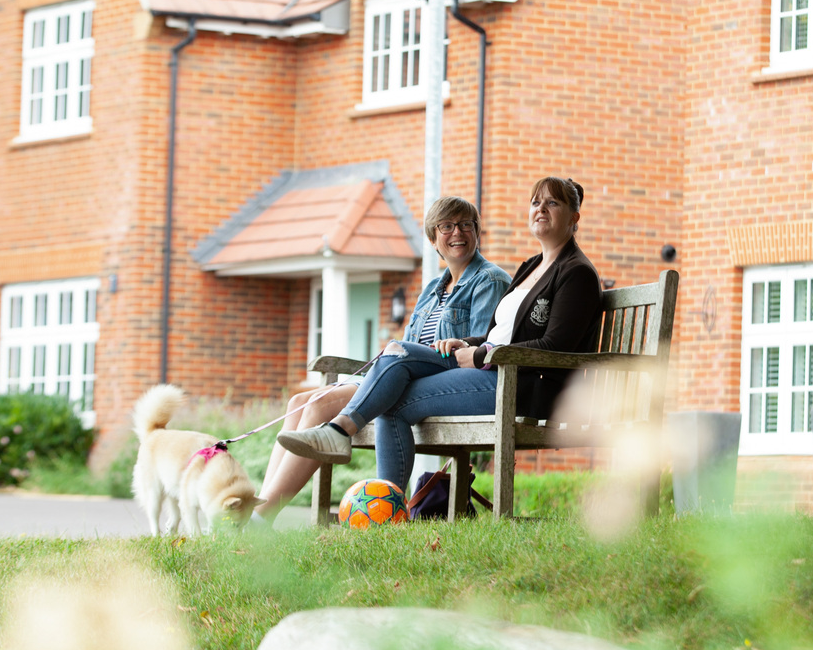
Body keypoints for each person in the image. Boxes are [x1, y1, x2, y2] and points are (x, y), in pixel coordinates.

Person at [275, 177, 602, 493]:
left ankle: (349, 446)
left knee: (396, 387)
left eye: (552, 203)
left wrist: (479, 354)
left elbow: (554, 347)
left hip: (525, 387)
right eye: (535, 202)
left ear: (574, 217)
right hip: (498, 371)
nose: (541, 208)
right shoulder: (532, 266)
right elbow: (499, 334)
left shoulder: (577, 272)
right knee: (397, 354)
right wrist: (468, 343)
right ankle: (372, 484)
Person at [255, 196, 509, 520]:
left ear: (477, 232)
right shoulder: (433, 287)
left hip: (442, 379)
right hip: (405, 374)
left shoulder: (489, 280)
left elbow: (481, 348)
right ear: (433, 239)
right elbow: (412, 343)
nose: (457, 232)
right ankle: (258, 504)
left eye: (465, 225)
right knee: (301, 401)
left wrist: (405, 355)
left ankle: (264, 515)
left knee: (324, 404)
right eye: (446, 226)